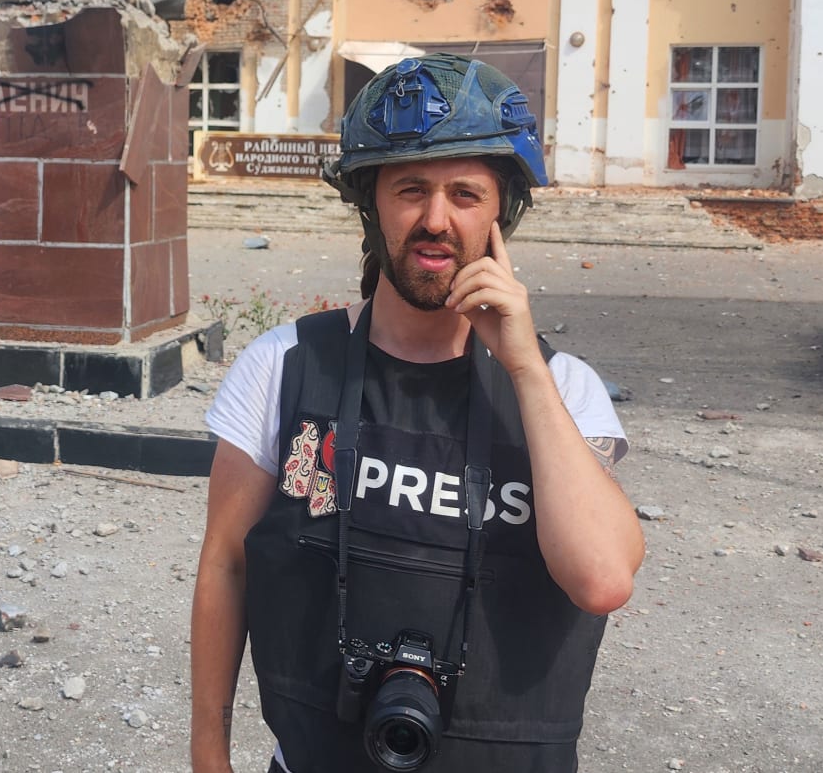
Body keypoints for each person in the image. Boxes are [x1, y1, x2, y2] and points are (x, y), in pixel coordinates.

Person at [191, 53, 645, 773]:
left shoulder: (565, 390)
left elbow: (600, 580)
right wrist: (208, 750)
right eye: (410, 189)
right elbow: (225, 563)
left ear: (502, 213)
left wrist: (522, 368)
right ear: (372, 203)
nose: (435, 220)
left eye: (465, 193)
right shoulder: (284, 367)